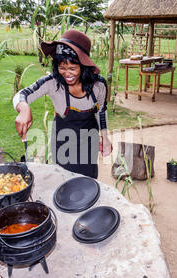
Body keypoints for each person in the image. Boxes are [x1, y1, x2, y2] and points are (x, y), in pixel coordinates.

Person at [13, 30, 112, 179]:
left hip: (89, 140)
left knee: (88, 182)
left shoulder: (99, 85)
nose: (67, 74)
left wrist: (105, 137)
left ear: (84, 66)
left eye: (72, 68)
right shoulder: (52, 83)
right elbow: (22, 94)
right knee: (64, 180)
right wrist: (24, 108)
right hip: (63, 142)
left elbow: (102, 111)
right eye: (62, 68)